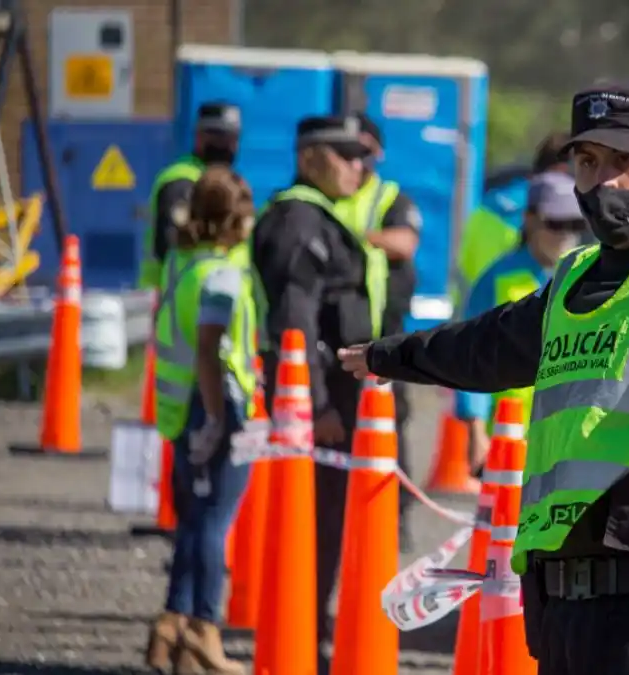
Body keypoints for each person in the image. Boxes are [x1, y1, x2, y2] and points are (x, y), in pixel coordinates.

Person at [340, 83, 629, 674]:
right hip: (563, 616)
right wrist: (389, 357)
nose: (605, 180)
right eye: (588, 162)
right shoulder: (573, 280)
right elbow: (485, 346)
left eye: (624, 162)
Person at [250, 116, 371, 674]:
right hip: (318, 408)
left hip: (335, 401)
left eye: (361, 156)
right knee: (314, 525)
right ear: (309, 158)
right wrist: (317, 405)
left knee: (328, 523)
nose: (358, 166)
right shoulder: (298, 220)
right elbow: (295, 322)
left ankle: (311, 628)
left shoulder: (317, 218)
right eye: (345, 154)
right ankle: (303, 639)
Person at [144, 167, 258, 675]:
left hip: (181, 406)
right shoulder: (224, 274)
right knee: (216, 521)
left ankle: (172, 625)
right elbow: (210, 351)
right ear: (235, 219)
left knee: (194, 518)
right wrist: (216, 418)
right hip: (216, 406)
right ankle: (204, 629)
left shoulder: (179, 263)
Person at [455, 172, 587, 470]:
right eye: (555, 224)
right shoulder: (496, 280)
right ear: (529, 219)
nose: (565, 234)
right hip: (508, 441)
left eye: (575, 224)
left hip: (570, 443)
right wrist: (476, 431)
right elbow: (472, 356)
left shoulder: (591, 276)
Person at [336, 112, 424, 547]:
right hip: (338, 334)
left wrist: (354, 238)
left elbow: (404, 242)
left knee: (391, 422)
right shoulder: (328, 195)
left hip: (386, 335)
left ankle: (396, 515)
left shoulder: (390, 197)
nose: (358, 160)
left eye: (364, 150)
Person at [140, 102, 243, 290]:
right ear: (199, 137)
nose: (225, 146)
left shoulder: (227, 183)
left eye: (231, 139)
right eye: (218, 138)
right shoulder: (182, 181)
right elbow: (169, 244)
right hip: (174, 291)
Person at [456, 131, 571, 293]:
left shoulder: (499, 202)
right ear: (560, 172)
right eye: (585, 167)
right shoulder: (510, 212)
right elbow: (494, 289)